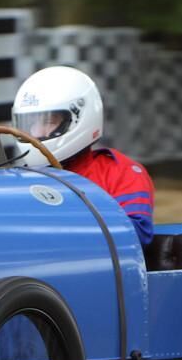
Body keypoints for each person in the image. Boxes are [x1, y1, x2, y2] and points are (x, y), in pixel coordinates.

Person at [11, 65, 154, 246]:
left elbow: (136, 235)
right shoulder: (21, 179)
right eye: (32, 123)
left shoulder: (120, 172)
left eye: (48, 121)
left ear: (79, 119)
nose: (36, 131)